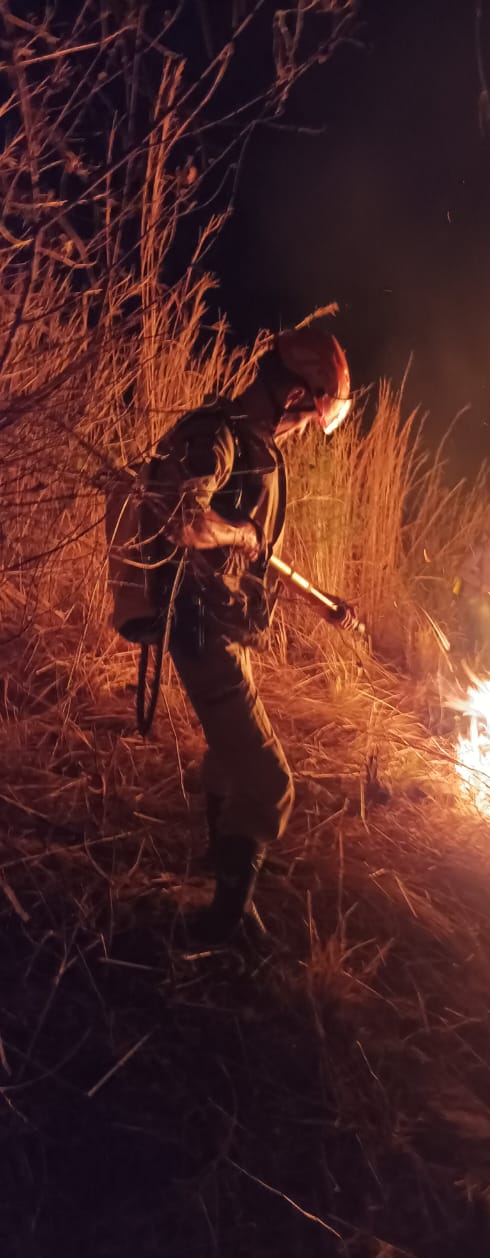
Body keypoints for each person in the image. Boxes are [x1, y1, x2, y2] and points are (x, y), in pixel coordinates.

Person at [108, 327, 352, 943]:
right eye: (309, 412)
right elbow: (182, 519)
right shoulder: (214, 437)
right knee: (270, 784)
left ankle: (219, 879)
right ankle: (224, 924)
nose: (305, 427)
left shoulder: (254, 442)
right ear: (294, 391)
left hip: (226, 624)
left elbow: (260, 550)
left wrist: (325, 606)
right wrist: (241, 535)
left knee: (227, 757)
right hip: (202, 627)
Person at [454, 528, 490, 669]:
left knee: (479, 635)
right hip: (473, 597)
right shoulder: (480, 551)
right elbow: (461, 570)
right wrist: (481, 585)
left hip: (489, 600)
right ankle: (482, 666)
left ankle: (474, 664)